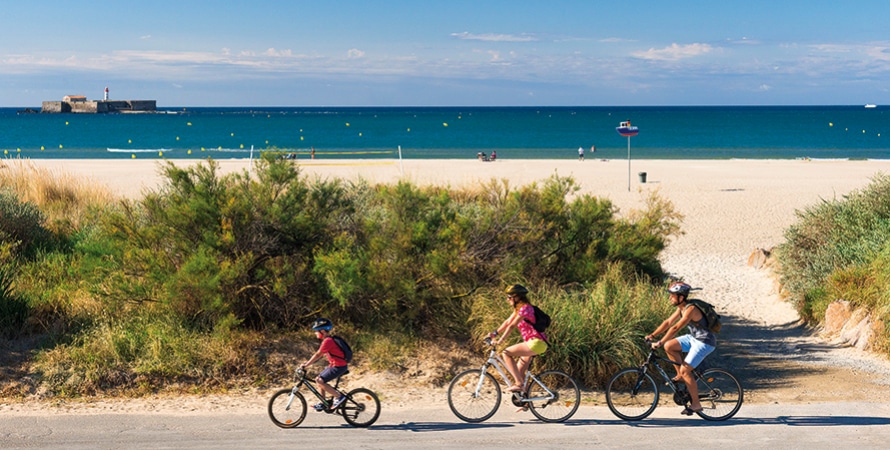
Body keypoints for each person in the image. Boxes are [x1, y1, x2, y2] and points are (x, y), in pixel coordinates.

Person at [645, 282, 716, 416]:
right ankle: (681, 376)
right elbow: (668, 322)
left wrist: (659, 342)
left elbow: (675, 328)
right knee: (669, 346)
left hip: (704, 342)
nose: (670, 298)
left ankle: (696, 404)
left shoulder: (691, 309)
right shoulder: (681, 308)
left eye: (672, 296)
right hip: (694, 338)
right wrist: (652, 335)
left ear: (681, 297)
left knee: (685, 370)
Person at [489, 284, 548, 393]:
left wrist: (500, 341)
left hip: (535, 343)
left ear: (517, 297)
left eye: (509, 297)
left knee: (506, 353)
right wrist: (494, 333)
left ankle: (519, 384)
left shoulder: (525, 309)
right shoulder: (520, 309)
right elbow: (507, 322)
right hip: (534, 343)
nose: (508, 299)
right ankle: (525, 401)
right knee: (519, 373)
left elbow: (512, 325)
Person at [300, 318, 349, 411]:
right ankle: (323, 403)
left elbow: (318, 354)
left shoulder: (328, 341)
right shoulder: (327, 340)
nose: (315, 333)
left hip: (339, 366)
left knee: (319, 381)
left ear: (322, 331)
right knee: (319, 379)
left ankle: (339, 396)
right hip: (335, 365)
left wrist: (307, 364)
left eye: (316, 331)